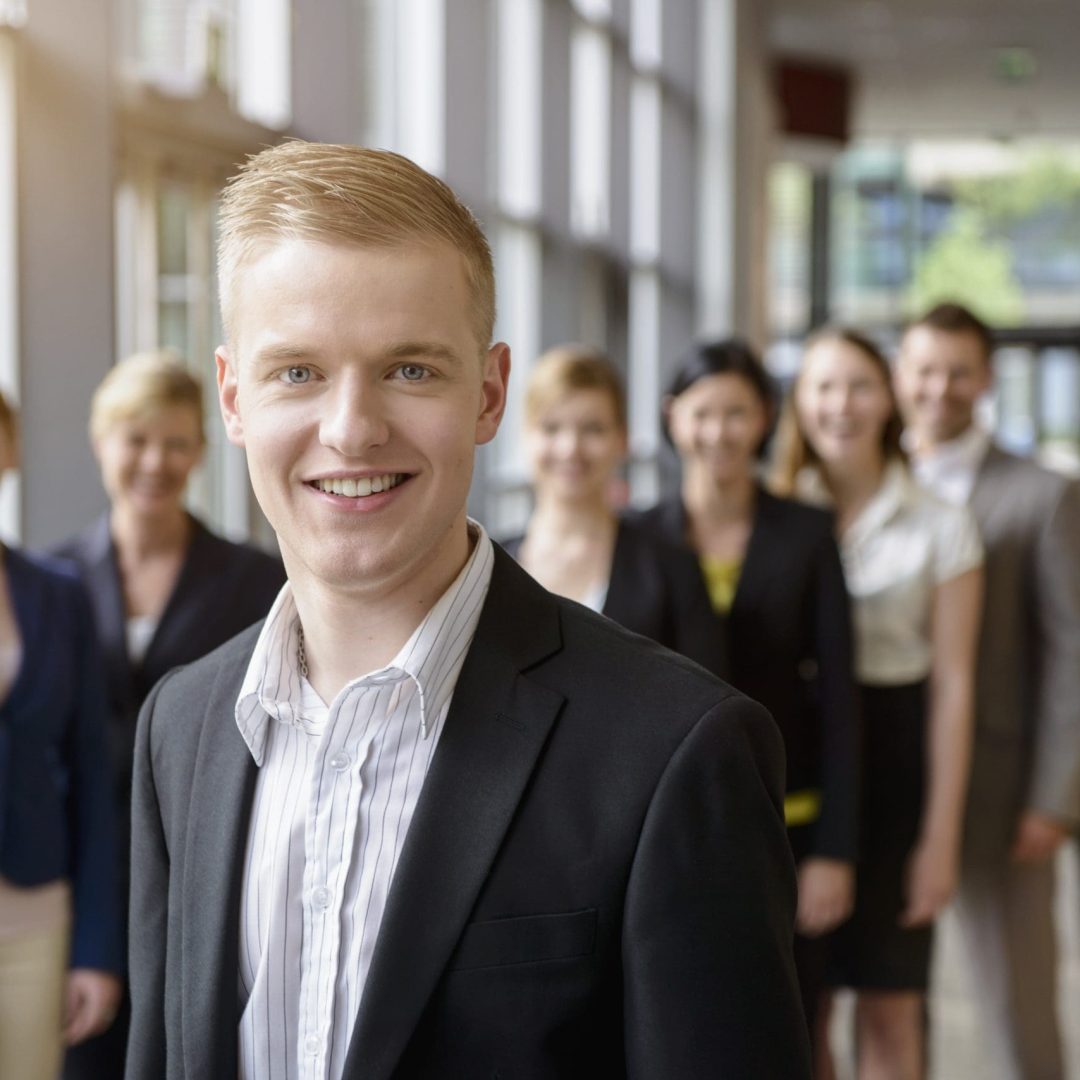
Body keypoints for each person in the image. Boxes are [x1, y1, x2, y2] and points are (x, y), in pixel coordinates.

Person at [124, 141, 811, 1079]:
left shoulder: (675, 752)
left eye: (410, 370)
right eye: (298, 373)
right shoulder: (182, 726)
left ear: (488, 393)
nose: (352, 428)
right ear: (232, 397)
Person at [53, 351, 285, 1079]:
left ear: (201, 449)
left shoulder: (254, 578)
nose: (156, 460)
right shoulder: (51, 580)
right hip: (78, 872)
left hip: (200, 858)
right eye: (137, 439)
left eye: (178, 442)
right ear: (101, 443)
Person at [635, 338, 860, 1047]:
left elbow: (843, 698)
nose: (719, 432)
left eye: (737, 413)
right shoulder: (637, 538)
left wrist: (835, 851)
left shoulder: (808, 533)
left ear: (765, 417)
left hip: (792, 817)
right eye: (703, 413)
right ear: (673, 418)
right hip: (667, 823)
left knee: (799, 1025)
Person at [774, 327, 983, 1079]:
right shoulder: (774, 513)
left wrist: (940, 838)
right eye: (823, 387)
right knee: (808, 1005)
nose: (841, 405)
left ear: (889, 395)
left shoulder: (942, 524)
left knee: (892, 1004)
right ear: (799, 401)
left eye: (859, 385)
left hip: (898, 771)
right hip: (803, 772)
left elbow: (954, 687)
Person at [895, 302, 1080, 1080]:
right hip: (887, 781)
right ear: (902, 375)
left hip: (1004, 793)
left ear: (986, 379)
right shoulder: (864, 479)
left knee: (1014, 1003)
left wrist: (1054, 797)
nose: (939, 387)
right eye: (925, 369)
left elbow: (1073, 651)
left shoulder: (1043, 495)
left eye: (958, 370)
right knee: (895, 1001)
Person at [0, 392, 123, 1079]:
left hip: (35, 924)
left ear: (10, 450)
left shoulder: (57, 593)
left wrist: (95, 950)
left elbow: (92, 779)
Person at [503, 344, 726, 675]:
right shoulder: (489, 566)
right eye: (551, 428)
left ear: (622, 440)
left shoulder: (671, 565)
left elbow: (714, 703)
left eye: (593, 429)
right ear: (525, 437)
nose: (570, 448)